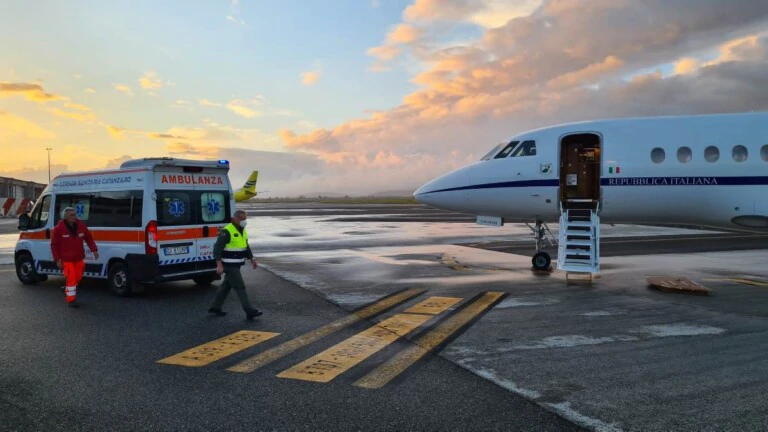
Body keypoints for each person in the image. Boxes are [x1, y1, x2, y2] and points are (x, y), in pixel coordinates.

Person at [208, 209, 263, 320]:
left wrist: (252, 259)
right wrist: (219, 265)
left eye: (245, 219)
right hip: (229, 265)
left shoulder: (242, 230)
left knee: (225, 286)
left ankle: (215, 307)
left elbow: (245, 246)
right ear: (236, 218)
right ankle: (249, 311)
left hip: (237, 263)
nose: (245, 221)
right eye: (243, 219)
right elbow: (217, 249)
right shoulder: (226, 231)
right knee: (240, 287)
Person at [51, 207, 99, 308]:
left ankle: (68, 288)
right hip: (66, 260)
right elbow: (54, 245)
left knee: (79, 277)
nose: (74, 217)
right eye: (71, 215)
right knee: (72, 278)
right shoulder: (58, 229)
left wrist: (94, 250)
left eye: (75, 214)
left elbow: (89, 238)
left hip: (78, 258)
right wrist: (57, 260)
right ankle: (71, 300)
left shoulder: (81, 225)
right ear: (66, 217)